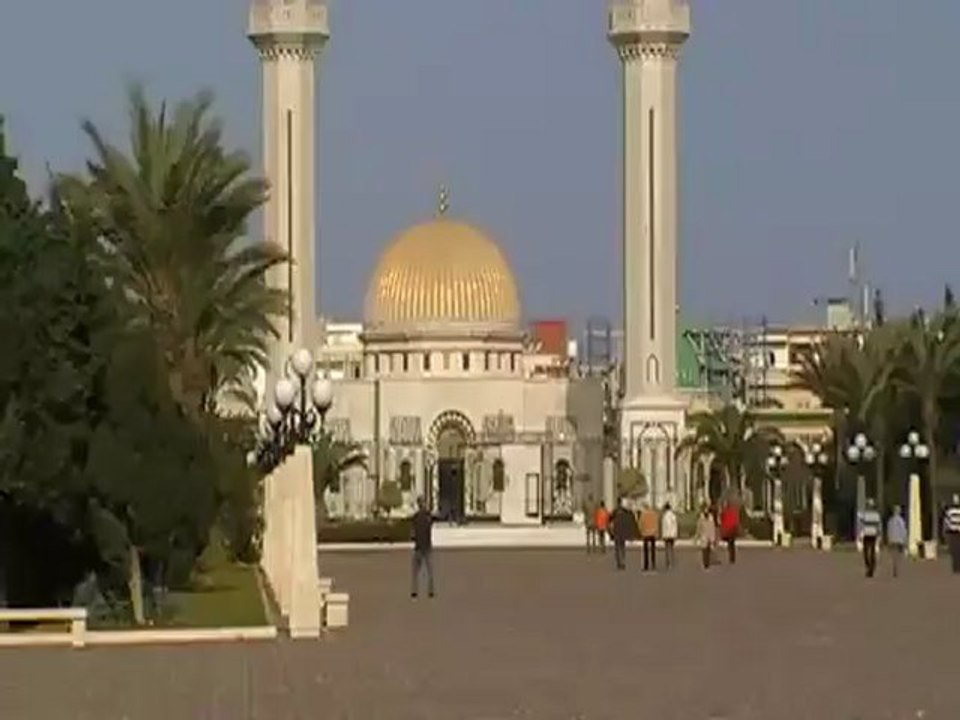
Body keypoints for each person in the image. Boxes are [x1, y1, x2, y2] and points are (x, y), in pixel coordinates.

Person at [410, 496, 435, 598]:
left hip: (418, 547)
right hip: (427, 547)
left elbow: (412, 533)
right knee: (430, 571)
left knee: (415, 572)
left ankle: (414, 591)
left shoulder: (415, 517)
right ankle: (431, 591)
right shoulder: (428, 516)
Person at [610, 497, 638, 571]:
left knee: (617, 547)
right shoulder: (625, 511)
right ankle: (623, 561)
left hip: (617, 531)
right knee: (622, 547)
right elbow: (630, 518)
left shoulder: (615, 511)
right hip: (623, 531)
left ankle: (619, 562)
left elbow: (610, 519)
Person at [858, 498, 882, 578]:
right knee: (869, 552)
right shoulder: (871, 514)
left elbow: (878, 526)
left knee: (869, 552)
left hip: (870, 534)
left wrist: (879, 534)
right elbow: (861, 525)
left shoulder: (870, 515)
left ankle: (870, 567)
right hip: (869, 534)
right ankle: (870, 567)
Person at [886, 505, 907, 578]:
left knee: (894, 555)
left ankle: (895, 567)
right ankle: (896, 568)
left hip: (892, 540)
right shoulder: (901, 520)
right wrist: (904, 540)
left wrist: (889, 539)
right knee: (898, 555)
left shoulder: (890, 520)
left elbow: (888, 531)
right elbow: (903, 531)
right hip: (899, 540)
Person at [719, 500, 741, 565]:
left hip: (728, 530)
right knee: (732, 544)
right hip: (732, 530)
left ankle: (731, 557)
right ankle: (732, 558)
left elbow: (722, 519)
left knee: (730, 544)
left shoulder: (725, 512)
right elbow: (736, 520)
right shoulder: (733, 512)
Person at [639, 503, 659, 571]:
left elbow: (640, 524)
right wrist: (656, 532)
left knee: (646, 551)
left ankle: (646, 565)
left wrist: (641, 532)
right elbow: (656, 523)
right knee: (653, 550)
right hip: (653, 533)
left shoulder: (643, 514)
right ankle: (653, 564)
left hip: (645, 534)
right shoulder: (654, 514)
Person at [695, 505, 716, 569]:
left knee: (707, 550)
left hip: (708, 536)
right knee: (705, 551)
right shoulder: (702, 519)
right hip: (705, 536)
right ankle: (706, 563)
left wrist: (713, 537)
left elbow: (712, 528)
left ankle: (706, 562)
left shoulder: (710, 519)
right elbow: (699, 528)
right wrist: (697, 536)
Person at [944, 494, 960, 573]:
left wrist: (946, 531)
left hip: (952, 533)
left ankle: (956, 567)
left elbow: (947, 523)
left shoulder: (949, 512)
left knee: (954, 551)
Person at [661, 502, 678, 570]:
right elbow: (675, 526)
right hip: (672, 534)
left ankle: (668, 562)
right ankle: (671, 562)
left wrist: (663, 535)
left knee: (667, 549)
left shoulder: (664, 516)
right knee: (671, 549)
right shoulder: (673, 516)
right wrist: (675, 534)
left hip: (666, 534)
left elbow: (664, 527)